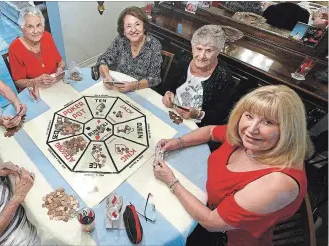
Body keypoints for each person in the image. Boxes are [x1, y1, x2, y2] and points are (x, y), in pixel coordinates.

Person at [153, 85, 313, 246]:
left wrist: (171, 181)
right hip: (203, 200)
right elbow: (210, 131)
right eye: (249, 116)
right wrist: (178, 142)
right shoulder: (248, 139)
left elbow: (210, 222)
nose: (251, 129)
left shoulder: (278, 183)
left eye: (268, 122)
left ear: (288, 131)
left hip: (224, 238)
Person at [161, 25, 234, 126]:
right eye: (199, 49)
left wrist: (198, 114)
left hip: (196, 126)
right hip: (169, 113)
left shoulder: (224, 76)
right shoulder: (183, 59)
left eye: (208, 50)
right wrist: (168, 93)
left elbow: (220, 115)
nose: (202, 56)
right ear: (192, 47)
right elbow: (168, 85)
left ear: (218, 52)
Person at [96, 6, 162, 93]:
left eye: (137, 24)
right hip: (118, 87)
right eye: (128, 26)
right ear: (123, 30)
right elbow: (103, 59)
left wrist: (132, 86)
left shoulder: (154, 45)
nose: (133, 30)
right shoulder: (120, 40)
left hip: (141, 90)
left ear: (144, 26)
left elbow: (154, 78)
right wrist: (106, 76)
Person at [8, 7, 65, 93]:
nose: (36, 31)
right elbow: (18, 82)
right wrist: (36, 81)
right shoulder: (15, 48)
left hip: (54, 84)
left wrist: (59, 70)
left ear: (43, 26)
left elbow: (61, 63)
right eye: (30, 27)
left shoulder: (47, 36)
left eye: (38, 25)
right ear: (22, 29)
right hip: (34, 90)